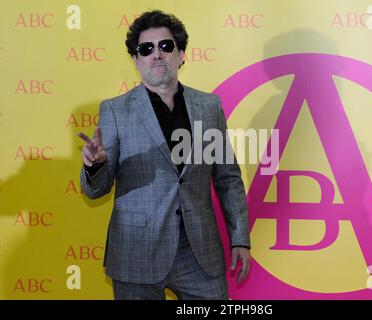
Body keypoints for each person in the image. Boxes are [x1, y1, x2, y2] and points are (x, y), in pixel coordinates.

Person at [78, 10, 251, 300]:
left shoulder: (209, 107)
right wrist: (96, 166)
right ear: (136, 60)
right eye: (146, 49)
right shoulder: (115, 110)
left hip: (198, 254)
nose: (156, 54)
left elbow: (228, 179)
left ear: (182, 54)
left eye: (166, 46)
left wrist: (240, 238)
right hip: (136, 251)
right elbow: (96, 190)